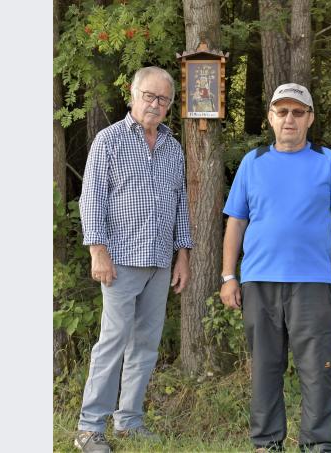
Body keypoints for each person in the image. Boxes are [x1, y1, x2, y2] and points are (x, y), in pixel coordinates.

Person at [220, 83, 331, 453]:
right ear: (271, 118)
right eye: (282, 112)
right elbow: (236, 221)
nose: (289, 119)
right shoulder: (253, 162)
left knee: (316, 369)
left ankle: (319, 444)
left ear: (310, 118)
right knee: (265, 367)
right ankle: (267, 442)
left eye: (298, 112)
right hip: (259, 280)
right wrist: (229, 276)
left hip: (312, 282)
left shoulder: (327, 161)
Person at [74, 66, 193, 453]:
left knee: (145, 345)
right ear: (133, 94)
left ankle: (129, 421)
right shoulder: (108, 141)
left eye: (164, 100)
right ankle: (89, 428)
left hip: (160, 262)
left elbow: (180, 205)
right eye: (149, 96)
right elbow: (92, 199)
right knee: (112, 341)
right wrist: (97, 250)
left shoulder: (173, 148)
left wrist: (183, 256)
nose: (156, 104)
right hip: (120, 260)